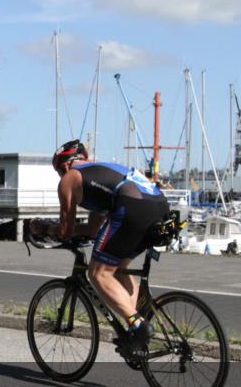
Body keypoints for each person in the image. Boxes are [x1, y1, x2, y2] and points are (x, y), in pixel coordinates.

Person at [31, 139, 170, 356]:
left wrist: (43, 227)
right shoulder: (100, 175)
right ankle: (134, 329)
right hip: (159, 206)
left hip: (132, 206)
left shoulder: (70, 178)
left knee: (97, 273)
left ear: (65, 165)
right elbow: (94, 230)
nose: (60, 177)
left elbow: (66, 231)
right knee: (118, 268)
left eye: (58, 171)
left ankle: (138, 325)